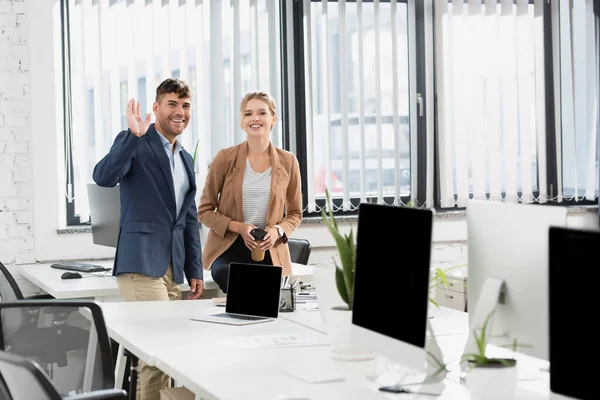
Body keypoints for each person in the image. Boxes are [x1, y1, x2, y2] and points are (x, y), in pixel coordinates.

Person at [93, 78, 204, 400]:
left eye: (185, 106)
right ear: (156, 108)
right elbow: (103, 177)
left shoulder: (185, 158)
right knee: (159, 352)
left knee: (169, 356)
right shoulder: (137, 141)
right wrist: (132, 135)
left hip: (173, 265)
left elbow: (188, 219)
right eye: (172, 104)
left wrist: (194, 268)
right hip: (140, 261)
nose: (179, 112)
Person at [197, 91, 302, 293]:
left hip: (269, 250)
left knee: (267, 301)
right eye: (248, 114)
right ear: (241, 122)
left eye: (262, 113)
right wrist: (239, 227)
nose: (255, 118)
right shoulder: (225, 158)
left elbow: (295, 213)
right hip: (229, 247)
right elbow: (205, 211)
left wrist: (277, 231)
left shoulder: (288, 161)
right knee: (236, 280)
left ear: (273, 119)